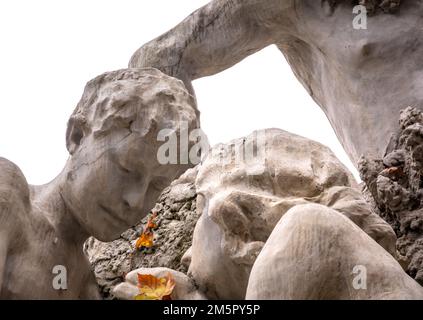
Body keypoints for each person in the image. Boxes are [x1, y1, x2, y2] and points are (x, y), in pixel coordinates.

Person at [0, 68, 199, 299]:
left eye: (156, 185)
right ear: (77, 136)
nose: (135, 200)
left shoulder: (86, 286)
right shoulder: (8, 192)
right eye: (126, 168)